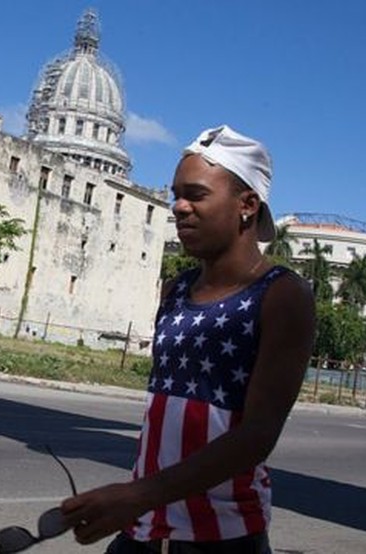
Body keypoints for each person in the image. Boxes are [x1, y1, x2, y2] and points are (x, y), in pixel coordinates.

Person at [60, 125, 315, 553]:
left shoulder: (282, 295)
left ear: (247, 205)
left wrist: (138, 495)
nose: (178, 207)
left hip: (220, 540)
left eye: (195, 195)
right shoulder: (175, 290)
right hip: (140, 533)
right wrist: (137, 501)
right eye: (175, 194)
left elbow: (258, 434)